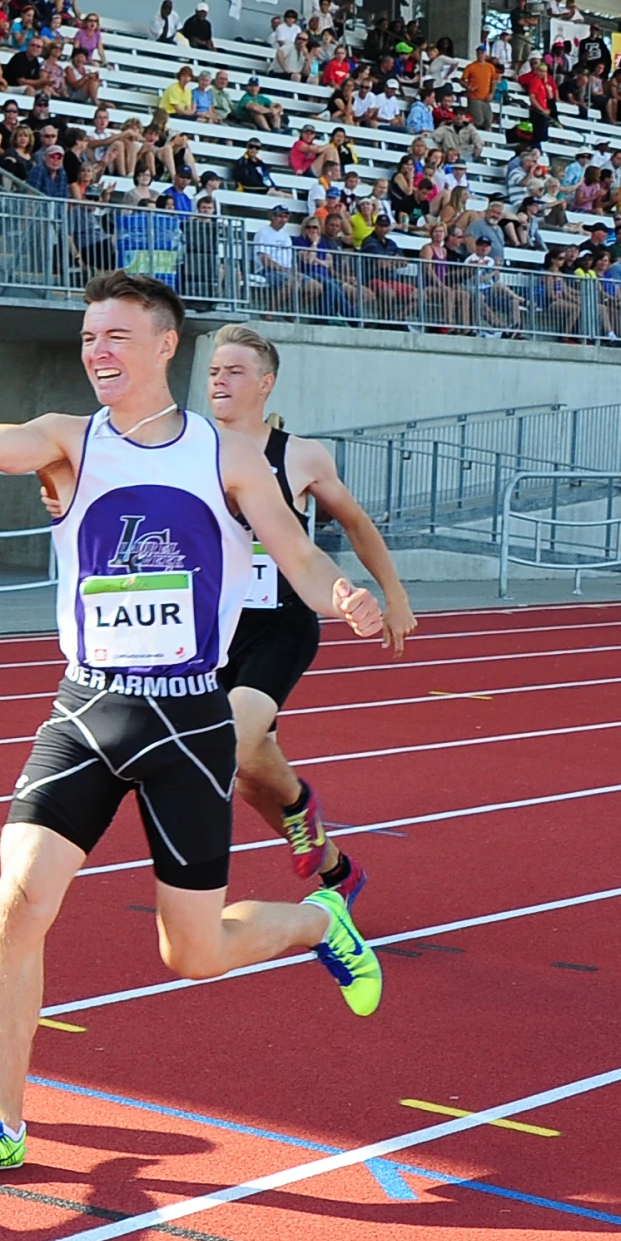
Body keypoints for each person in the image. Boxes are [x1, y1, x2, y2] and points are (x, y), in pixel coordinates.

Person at [0, 272, 387, 1188]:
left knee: (191, 953)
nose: (97, 351)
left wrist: (342, 594)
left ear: (164, 347)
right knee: (17, 901)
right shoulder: (71, 441)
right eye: (88, 337)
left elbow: (294, 548)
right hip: (87, 706)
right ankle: (1, 1123)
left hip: (188, 717)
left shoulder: (225, 457)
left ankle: (317, 920)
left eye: (116, 337)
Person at [207, 325, 415, 895]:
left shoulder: (299, 455)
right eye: (213, 372)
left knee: (236, 745)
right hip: (211, 630)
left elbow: (355, 522)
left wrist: (392, 596)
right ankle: (336, 868)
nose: (220, 381)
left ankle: (299, 808)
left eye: (234, 372)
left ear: (265, 384)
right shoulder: (188, 448)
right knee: (251, 772)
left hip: (280, 623)